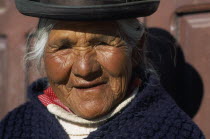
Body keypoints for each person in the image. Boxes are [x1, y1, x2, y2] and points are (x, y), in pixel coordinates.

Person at [0, 0, 204, 138]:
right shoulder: (13, 129)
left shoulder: (176, 132)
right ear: (43, 56)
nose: (85, 69)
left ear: (136, 50)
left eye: (102, 44)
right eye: (64, 47)